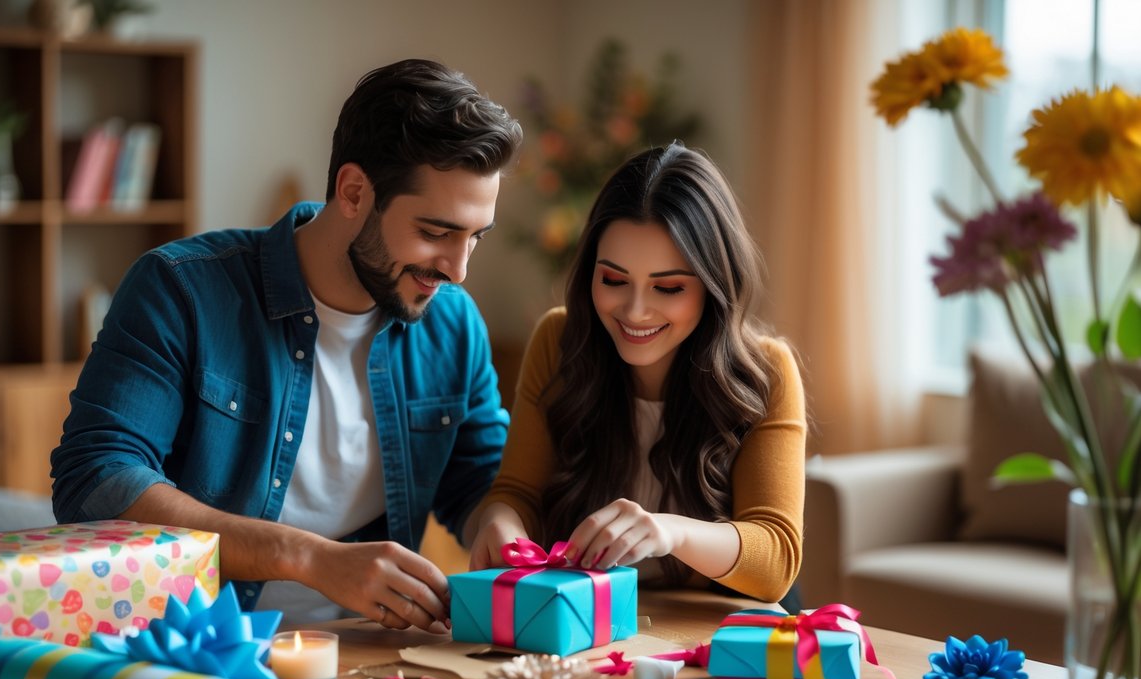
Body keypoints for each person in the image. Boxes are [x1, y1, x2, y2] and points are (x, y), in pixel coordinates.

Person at [51, 58, 523, 631]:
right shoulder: (180, 290)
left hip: (367, 656)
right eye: (435, 232)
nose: (459, 269)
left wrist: (500, 521)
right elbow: (96, 480)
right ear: (353, 192)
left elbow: (479, 480)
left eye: (475, 237)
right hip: (193, 653)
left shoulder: (454, 325)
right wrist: (308, 557)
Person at [470, 142, 805, 604]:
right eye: (613, 280)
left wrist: (669, 533)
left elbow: (777, 560)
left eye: (668, 287)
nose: (636, 311)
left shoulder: (767, 372)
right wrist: (500, 522)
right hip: (583, 625)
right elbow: (516, 491)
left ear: (713, 287)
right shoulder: (560, 341)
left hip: (711, 639)